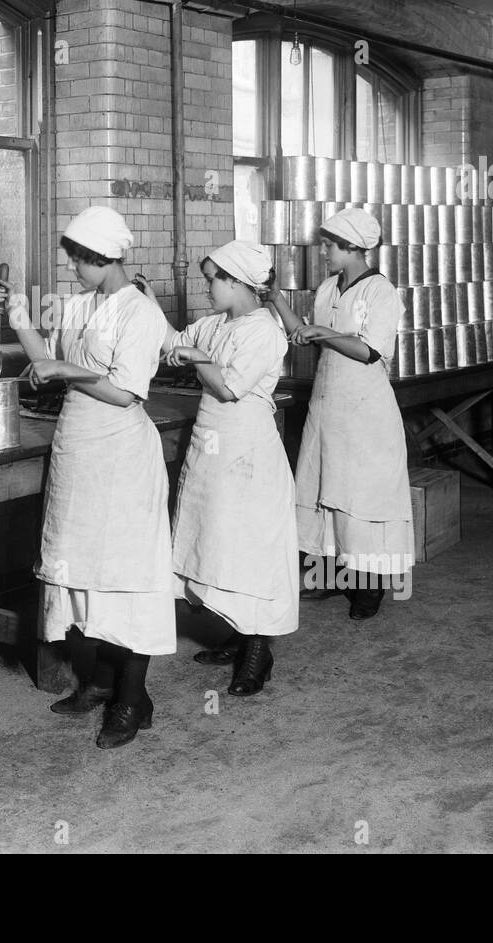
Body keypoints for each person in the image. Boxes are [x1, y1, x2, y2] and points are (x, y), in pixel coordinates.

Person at [0, 206, 173, 749]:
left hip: (120, 453)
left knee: (124, 571)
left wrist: (67, 371)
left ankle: (132, 697)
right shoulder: (78, 305)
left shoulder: (138, 312)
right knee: (81, 570)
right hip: (78, 448)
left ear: (104, 257)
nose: (72, 267)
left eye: (79, 259)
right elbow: (47, 363)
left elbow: (125, 391)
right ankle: (98, 680)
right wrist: (20, 317)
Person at [149, 241, 299, 695]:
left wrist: (196, 358)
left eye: (214, 279)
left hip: (247, 452)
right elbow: (171, 342)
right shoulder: (214, 324)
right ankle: (237, 634)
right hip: (212, 448)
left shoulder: (264, 332)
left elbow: (231, 387)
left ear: (237, 281)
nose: (207, 287)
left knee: (249, 547)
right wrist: (146, 303)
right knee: (218, 542)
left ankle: (259, 650)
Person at [269, 207, 415, 620]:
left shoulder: (380, 292)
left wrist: (326, 334)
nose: (325, 253)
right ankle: (334, 576)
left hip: (365, 411)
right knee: (324, 489)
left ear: (354, 247)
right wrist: (277, 300)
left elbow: (370, 351)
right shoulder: (327, 289)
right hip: (327, 403)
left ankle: (370, 589)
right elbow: (305, 333)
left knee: (361, 497)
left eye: (330, 246)